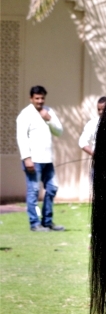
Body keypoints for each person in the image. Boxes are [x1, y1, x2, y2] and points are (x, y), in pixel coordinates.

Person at [17, 85, 65, 232]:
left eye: (42, 98)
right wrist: (26, 158)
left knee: (51, 189)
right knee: (33, 191)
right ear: (31, 98)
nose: (40, 101)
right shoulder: (25, 114)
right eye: (37, 98)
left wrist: (49, 118)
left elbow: (59, 132)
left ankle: (47, 222)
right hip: (33, 160)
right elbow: (21, 137)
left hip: (47, 160)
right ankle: (34, 224)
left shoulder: (48, 111)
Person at [79, 95, 106, 162]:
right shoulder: (92, 123)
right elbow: (82, 142)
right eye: (98, 109)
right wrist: (94, 155)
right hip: (98, 164)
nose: (100, 112)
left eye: (103, 109)